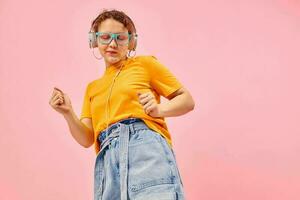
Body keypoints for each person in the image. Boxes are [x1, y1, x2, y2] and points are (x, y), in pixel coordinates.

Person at [49, 9, 195, 200]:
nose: (112, 44)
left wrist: (160, 110)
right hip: (108, 157)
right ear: (94, 41)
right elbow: (86, 138)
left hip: (144, 148)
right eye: (105, 37)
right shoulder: (92, 88)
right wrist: (67, 113)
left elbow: (187, 100)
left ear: (131, 41)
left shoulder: (145, 64)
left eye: (120, 38)